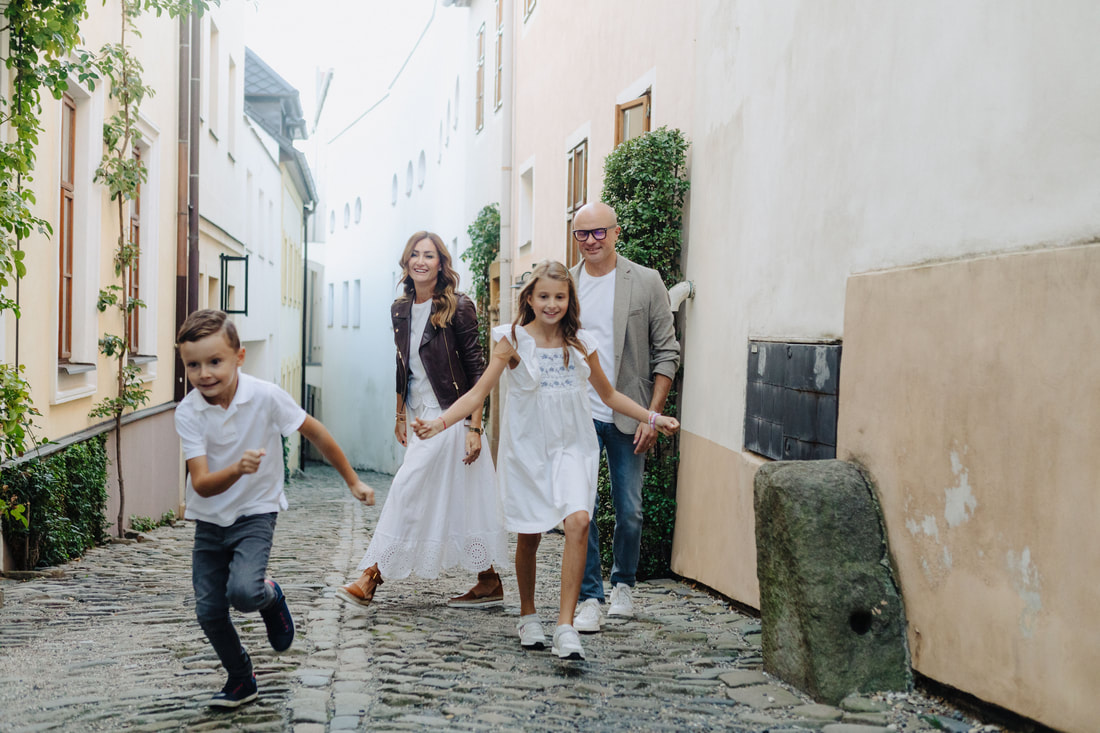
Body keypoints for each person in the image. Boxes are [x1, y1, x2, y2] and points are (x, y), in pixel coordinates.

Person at [413, 260, 679, 661]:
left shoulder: (581, 344)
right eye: (544, 297)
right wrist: (440, 423)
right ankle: (528, 614)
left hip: (573, 445)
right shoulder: (513, 340)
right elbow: (477, 392)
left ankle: (565, 625)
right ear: (530, 299)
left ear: (570, 300)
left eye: (560, 296)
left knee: (580, 520)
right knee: (531, 533)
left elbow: (609, 397)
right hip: (528, 450)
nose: (552, 304)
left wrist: (653, 417)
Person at [175, 309, 375, 708]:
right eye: (193, 365)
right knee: (210, 610)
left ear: (239, 357)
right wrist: (238, 468)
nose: (204, 374)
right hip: (210, 520)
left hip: (256, 512)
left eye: (215, 362)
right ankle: (241, 679)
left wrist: (352, 480)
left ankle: (272, 596)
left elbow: (315, 432)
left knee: (244, 593)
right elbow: (201, 483)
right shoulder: (189, 412)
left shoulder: (265, 396)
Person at [336, 232, 508, 610]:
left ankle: (370, 577)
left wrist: (475, 428)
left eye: (429, 255)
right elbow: (402, 365)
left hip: (451, 414)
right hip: (419, 415)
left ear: (441, 264)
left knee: (407, 488)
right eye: (414, 254)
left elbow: (477, 371)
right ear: (406, 262)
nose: (420, 261)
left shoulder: (459, 306)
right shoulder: (400, 308)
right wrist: (399, 413)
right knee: (459, 499)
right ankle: (489, 580)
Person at [568, 201, 681, 634]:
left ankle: (624, 584)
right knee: (583, 508)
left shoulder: (646, 281)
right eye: (583, 234)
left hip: (629, 412)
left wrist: (652, 414)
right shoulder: (568, 284)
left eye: (599, 232)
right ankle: (591, 596)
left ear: (616, 233)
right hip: (578, 413)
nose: (591, 241)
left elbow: (667, 352)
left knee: (629, 509)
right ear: (575, 238)